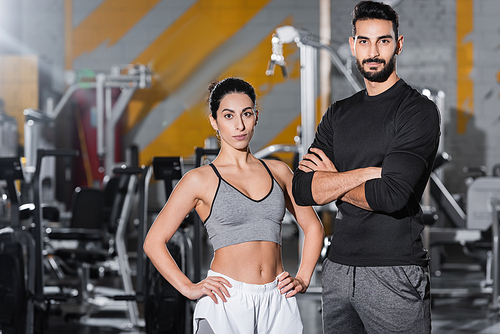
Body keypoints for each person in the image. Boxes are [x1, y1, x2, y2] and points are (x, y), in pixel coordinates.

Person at [292, 1, 440, 333]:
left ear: (398, 44)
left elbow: (391, 196)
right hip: (338, 271)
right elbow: (301, 189)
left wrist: (330, 182)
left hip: (395, 273)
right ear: (352, 45)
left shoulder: (417, 111)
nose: (373, 51)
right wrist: (363, 175)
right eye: (364, 41)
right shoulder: (338, 113)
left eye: (383, 41)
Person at [144, 77, 324, 334]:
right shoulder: (199, 179)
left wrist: (304, 278)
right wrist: (188, 288)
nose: (240, 125)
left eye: (246, 114)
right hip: (226, 299)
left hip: (278, 298)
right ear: (214, 122)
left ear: (256, 117)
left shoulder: (278, 171)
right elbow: (153, 241)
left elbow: (313, 227)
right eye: (228, 116)